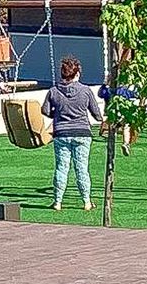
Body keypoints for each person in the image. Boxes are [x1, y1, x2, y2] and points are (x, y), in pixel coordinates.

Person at [42, 55, 104, 211]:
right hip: (82, 132)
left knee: (61, 168)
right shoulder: (86, 91)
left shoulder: (53, 91)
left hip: (61, 132)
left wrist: (57, 114)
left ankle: (57, 202)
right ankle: (86, 201)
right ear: (77, 74)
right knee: (82, 168)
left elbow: (45, 110)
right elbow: (96, 113)